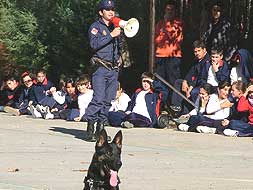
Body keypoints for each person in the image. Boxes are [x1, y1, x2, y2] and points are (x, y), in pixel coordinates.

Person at [84, 0, 122, 142]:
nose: (111, 12)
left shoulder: (115, 26)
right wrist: (111, 35)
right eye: (107, 9)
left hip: (113, 68)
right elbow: (94, 44)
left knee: (108, 100)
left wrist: (119, 57)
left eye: (112, 9)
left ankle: (101, 130)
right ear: (101, 12)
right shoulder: (96, 27)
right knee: (98, 99)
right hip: (100, 67)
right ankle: (90, 127)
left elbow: (119, 46)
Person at [154, 0, 183, 101]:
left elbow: (173, 38)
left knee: (173, 81)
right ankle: (161, 104)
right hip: (160, 56)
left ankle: (174, 104)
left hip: (173, 56)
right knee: (160, 81)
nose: (169, 12)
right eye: (167, 10)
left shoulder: (178, 23)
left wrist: (166, 27)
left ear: (175, 11)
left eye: (171, 10)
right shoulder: (159, 23)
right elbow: (157, 40)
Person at [171, 40, 210, 113]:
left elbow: (201, 77)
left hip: (203, 84)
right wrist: (185, 81)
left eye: (199, 51)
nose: (197, 53)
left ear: (204, 50)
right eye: (195, 51)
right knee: (178, 82)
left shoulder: (207, 61)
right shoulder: (197, 60)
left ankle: (189, 112)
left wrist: (190, 88)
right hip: (195, 83)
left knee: (193, 92)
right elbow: (191, 72)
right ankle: (177, 107)